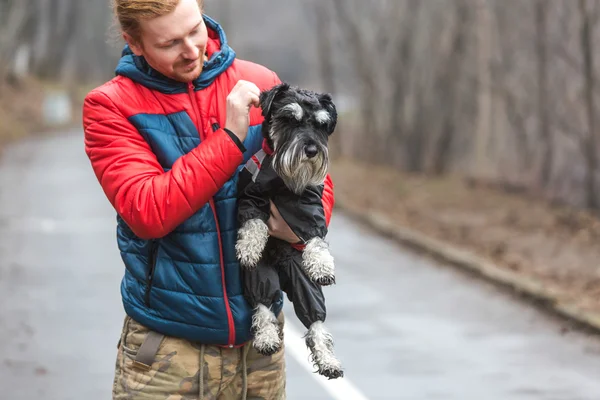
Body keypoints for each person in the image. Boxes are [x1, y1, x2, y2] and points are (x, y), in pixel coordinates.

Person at [82, 0, 335, 398]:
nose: (191, 49)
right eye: (169, 43)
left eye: (195, 29)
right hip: (167, 354)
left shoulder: (260, 81)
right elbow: (148, 211)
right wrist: (231, 139)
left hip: (259, 348)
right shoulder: (111, 107)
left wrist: (298, 230)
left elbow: (315, 178)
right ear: (135, 43)